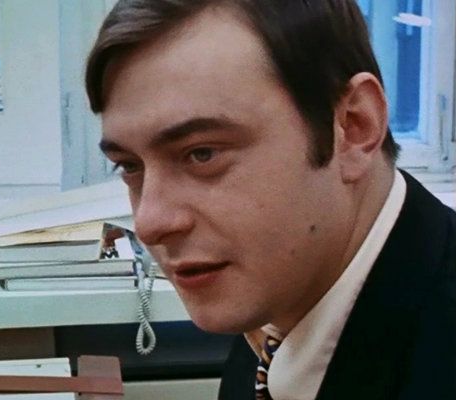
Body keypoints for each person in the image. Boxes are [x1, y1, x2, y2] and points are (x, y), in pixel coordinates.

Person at [84, 1, 456, 398]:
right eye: (130, 166)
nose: (149, 224)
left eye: (203, 154)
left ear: (353, 127)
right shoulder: (278, 310)